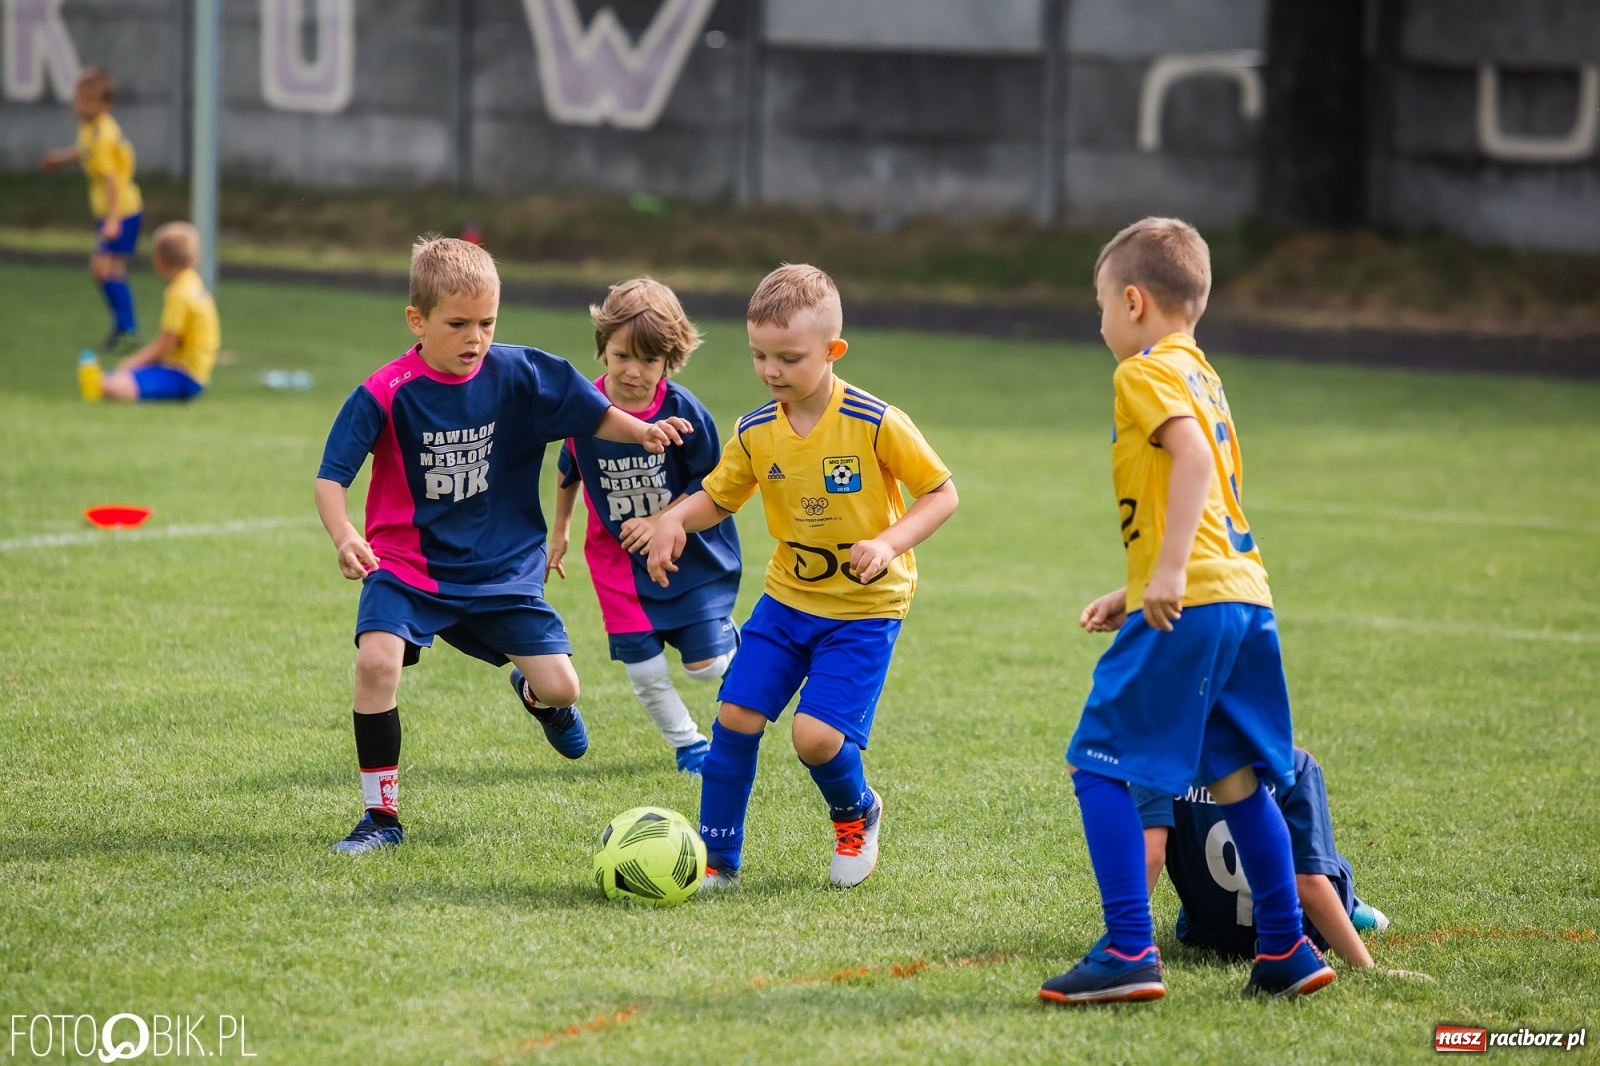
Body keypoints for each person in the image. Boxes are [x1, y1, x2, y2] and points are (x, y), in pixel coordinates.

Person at [314, 237, 693, 855]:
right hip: (407, 565)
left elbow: (593, 414)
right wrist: (345, 534)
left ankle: (536, 696)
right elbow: (332, 477)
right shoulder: (387, 389)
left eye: (487, 323)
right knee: (376, 664)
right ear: (417, 321)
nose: (475, 338)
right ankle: (380, 819)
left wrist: (642, 431)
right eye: (458, 324)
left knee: (564, 688)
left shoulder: (523, 374)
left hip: (502, 569)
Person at [1040, 217, 1336, 1004]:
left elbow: (1194, 462)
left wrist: (1168, 575)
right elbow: (1200, 496)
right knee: (1235, 779)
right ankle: (1285, 948)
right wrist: (1139, 585)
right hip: (1243, 596)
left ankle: (1127, 949)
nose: (1101, 324)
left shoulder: (1142, 372)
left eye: (1101, 306)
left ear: (1134, 302)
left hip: (1195, 598)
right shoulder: (1203, 374)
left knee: (1097, 759)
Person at [646, 264, 959, 889]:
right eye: (759, 355)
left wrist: (887, 542)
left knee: (814, 739)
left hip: (865, 609)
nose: (771, 371)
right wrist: (674, 518)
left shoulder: (874, 421)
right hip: (787, 601)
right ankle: (718, 862)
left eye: (789, 358)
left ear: (833, 351)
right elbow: (719, 497)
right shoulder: (756, 431)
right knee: (736, 715)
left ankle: (858, 811)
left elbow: (940, 493)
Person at [548, 279, 741, 775]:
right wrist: (560, 531)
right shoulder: (583, 405)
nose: (633, 371)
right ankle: (689, 745)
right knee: (645, 669)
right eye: (622, 356)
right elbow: (569, 468)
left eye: (649, 360)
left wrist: (661, 522)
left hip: (688, 555)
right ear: (603, 347)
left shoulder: (684, 411)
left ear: (669, 360)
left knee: (706, 669)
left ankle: (739, 647)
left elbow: (714, 483)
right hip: (616, 562)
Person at [1132, 746, 1390, 967]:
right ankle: (1350, 910)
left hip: (1206, 935)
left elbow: (1149, 857)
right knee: (1327, 862)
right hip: (1298, 935)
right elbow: (1308, 881)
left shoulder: (1157, 760)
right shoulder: (1296, 764)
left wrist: (1124, 943)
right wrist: (1365, 967)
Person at [41, 67, 143, 352]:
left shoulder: (102, 136)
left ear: (106, 104)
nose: (80, 106)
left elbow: (111, 180)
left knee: (102, 269)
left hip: (121, 211)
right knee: (110, 271)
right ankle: (124, 329)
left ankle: (127, 329)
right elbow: (83, 150)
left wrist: (112, 220)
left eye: (88, 101)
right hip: (119, 211)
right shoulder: (92, 127)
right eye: (78, 99)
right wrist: (61, 159)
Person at [82, 222, 218, 402]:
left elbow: (163, 347)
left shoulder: (179, 294)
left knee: (111, 385)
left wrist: (128, 365)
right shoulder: (192, 281)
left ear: (159, 259)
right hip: (193, 371)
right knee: (114, 377)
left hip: (183, 374)